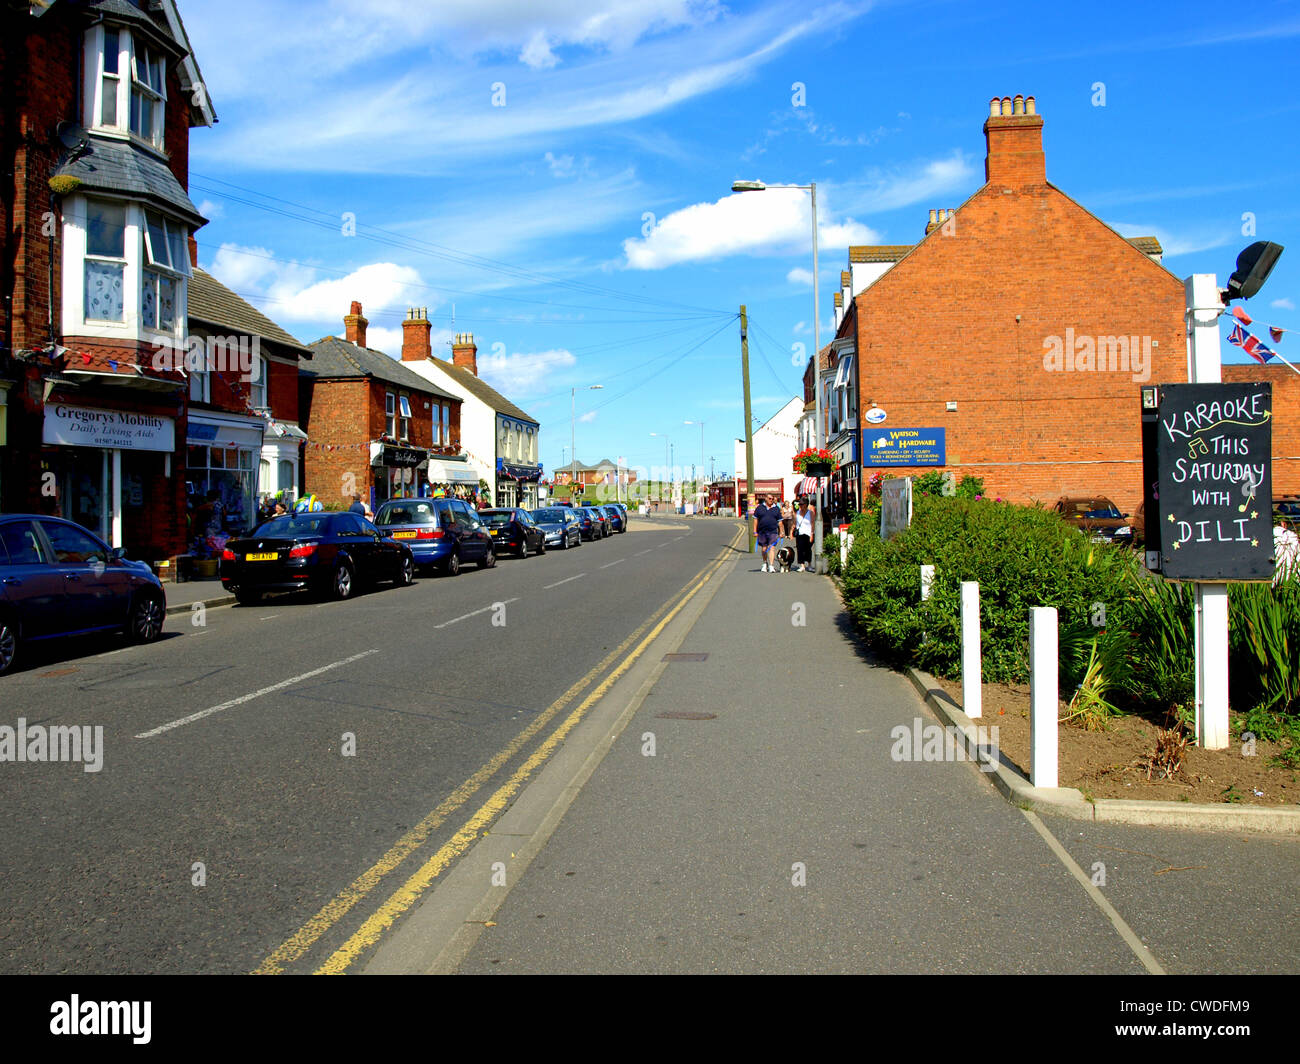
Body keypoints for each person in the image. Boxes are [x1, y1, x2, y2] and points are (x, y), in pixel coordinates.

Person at [752, 493, 782, 573]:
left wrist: (782, 532)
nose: (771, 500)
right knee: (764, 548)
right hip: (762, 531)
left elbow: (780, 522)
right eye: (769, 498)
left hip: (773, 531)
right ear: (765, 498)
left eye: (772, 499)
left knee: (772, 547)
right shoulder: (759, 508)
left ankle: (771, 566)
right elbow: (755, 520)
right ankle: (765, 563)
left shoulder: (776, 509)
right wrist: (755, 531)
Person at [794, 495, 815, 572]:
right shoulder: (797, 513)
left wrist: (812, 534)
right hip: (800, 533)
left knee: (808, 549)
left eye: (801, 504)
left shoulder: (811, 513)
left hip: (808, 533)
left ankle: (809, 565)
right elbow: (795, 523)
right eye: (799, 504)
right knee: (800, 549)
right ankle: (802, 565)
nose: (800, 506)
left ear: (806, 505)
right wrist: (791, 532)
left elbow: (812, 524)